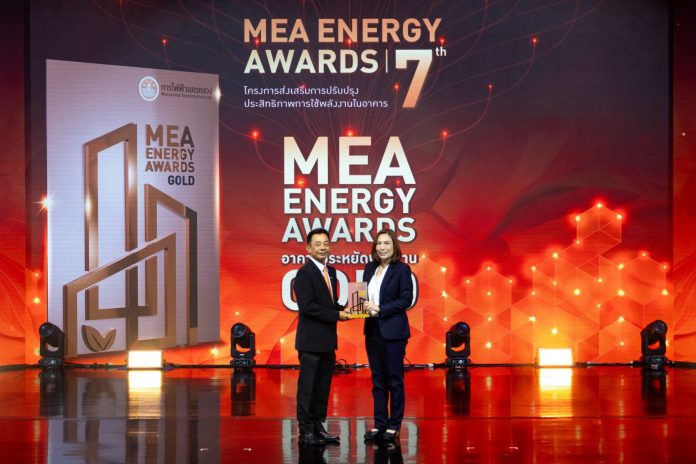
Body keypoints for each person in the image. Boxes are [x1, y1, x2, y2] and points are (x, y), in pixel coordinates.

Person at [294, 228, 351, 446]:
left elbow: (329, 304)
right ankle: (305, 430)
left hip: (328, 341)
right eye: (317, 244)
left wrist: (348, 310)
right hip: (310, 342)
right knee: (307, 388)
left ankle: (318, 426)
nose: (322, 247)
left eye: (326, 243)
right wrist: (337, 315)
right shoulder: (304, 273)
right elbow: (308, 307)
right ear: (308, 248)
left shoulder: (331, 272)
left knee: (322, 387)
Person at [362, 228, 413, 444]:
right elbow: (362, 296)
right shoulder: (369, 268)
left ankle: (394, 425)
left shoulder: (402, 269)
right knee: (377, 379)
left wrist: (380, 308)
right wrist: (357, 306)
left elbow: (406, 300)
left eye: (386, 243)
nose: (382, 247)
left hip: (393, 332)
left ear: (394, 247)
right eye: (379, 243)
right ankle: (380, 423)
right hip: (372, 330)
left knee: (394, 379)